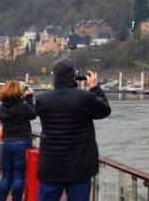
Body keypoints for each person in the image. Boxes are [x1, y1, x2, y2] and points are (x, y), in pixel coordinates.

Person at [35, 58, 111, 201]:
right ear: (74, 76)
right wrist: (94, 88)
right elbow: (105, 110)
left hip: (51, 164)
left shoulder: (42, 99)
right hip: (79, 166)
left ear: (54, 76)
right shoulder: (85, 98)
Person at [0, 80, 37, 201]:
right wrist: (29, 97)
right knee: (19, 176)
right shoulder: (23, 106)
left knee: (6, 176)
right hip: (22, 142)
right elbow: (33, 114)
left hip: (7, 142)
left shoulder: (1, 108)